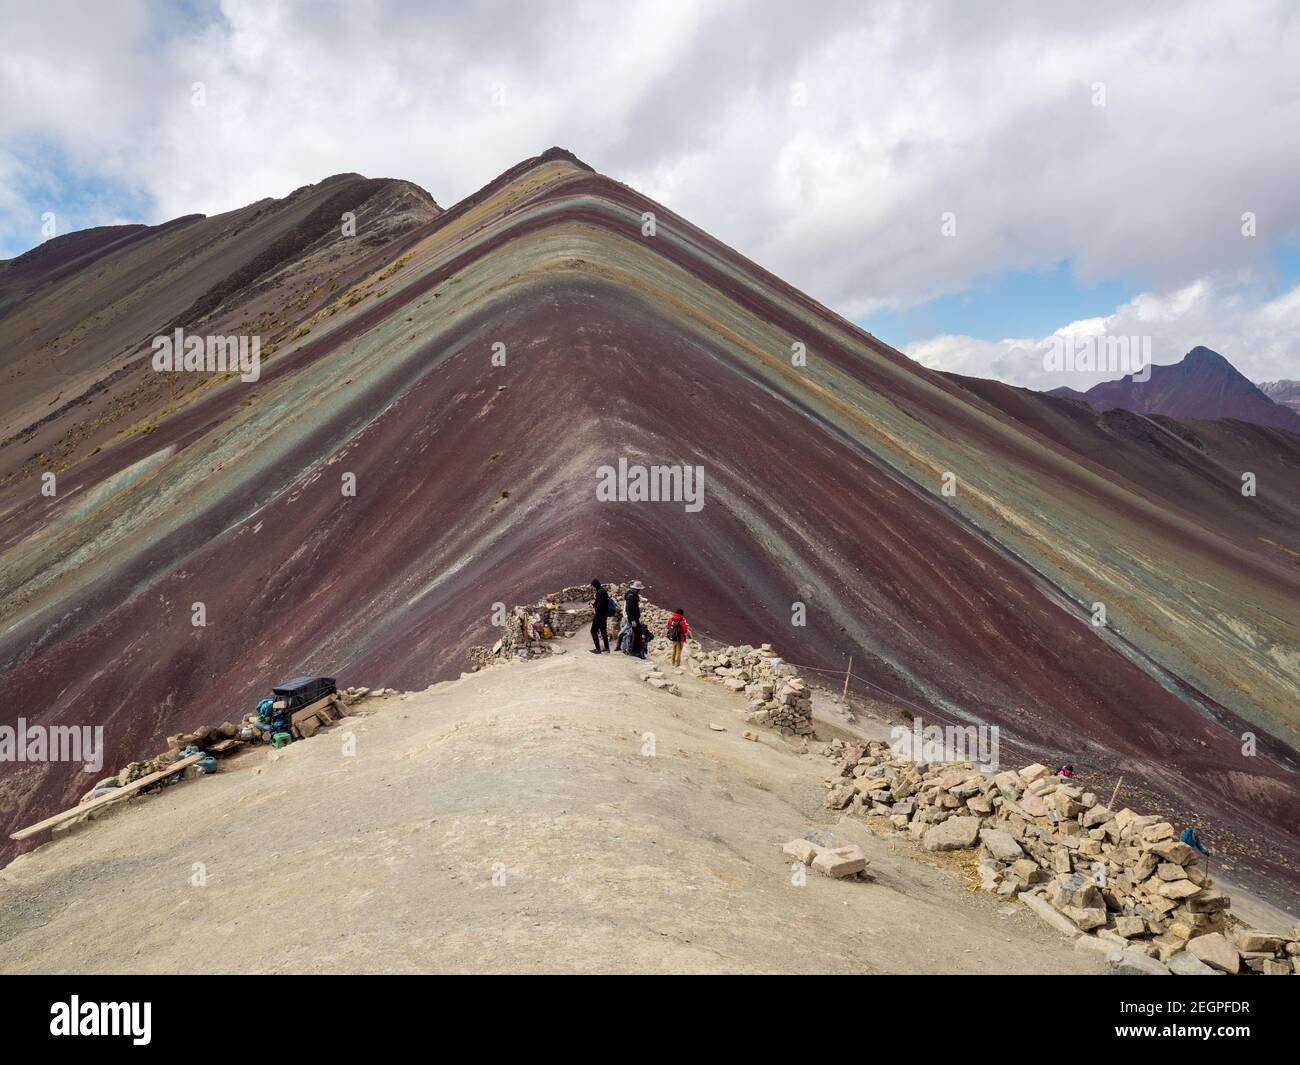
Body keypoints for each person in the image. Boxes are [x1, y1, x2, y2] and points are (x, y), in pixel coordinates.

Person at [590, 578, 612, 654]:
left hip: (599, 615)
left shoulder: (599, 593)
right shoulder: (603, 591)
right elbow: (601, 603)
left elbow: (600, 606)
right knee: (603, 632)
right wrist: (593, 604)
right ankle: (606, 648)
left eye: (593, 586)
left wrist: (593, 606)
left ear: (595, 585)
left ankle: (598, 649)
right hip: (604, 615)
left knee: (593, 631)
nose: (592, 587)